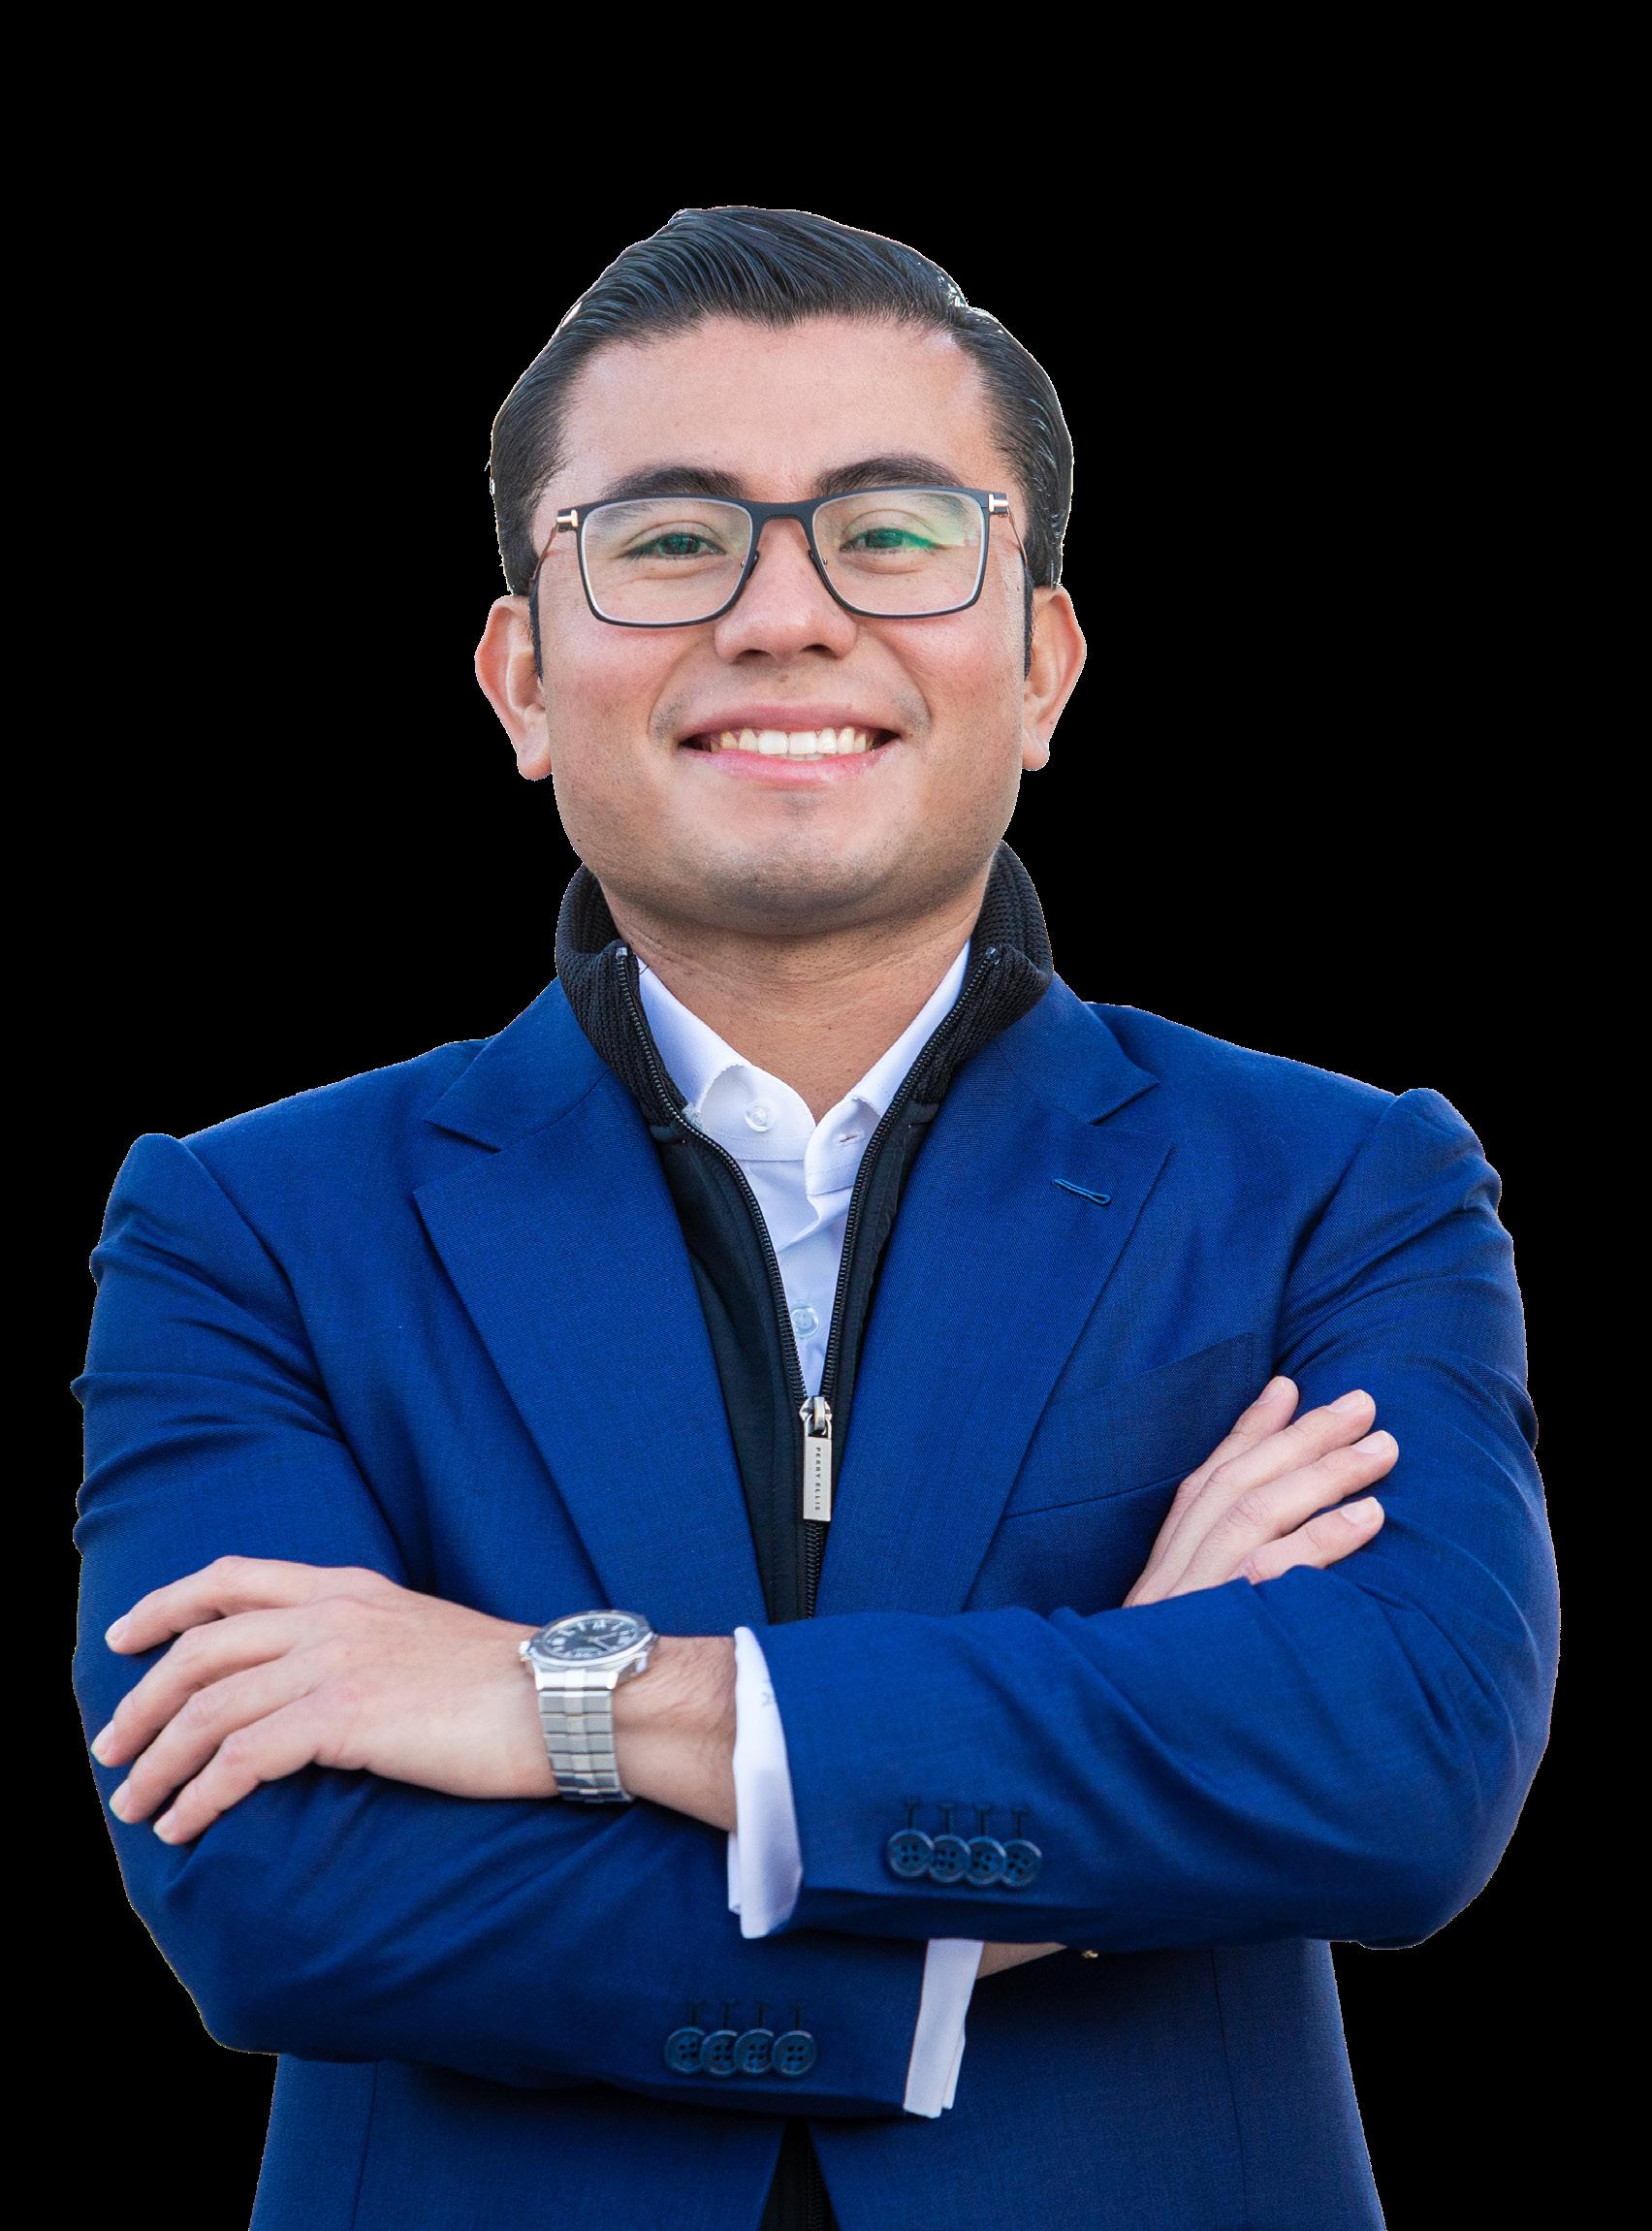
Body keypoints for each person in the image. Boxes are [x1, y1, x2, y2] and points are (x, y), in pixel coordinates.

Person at [72, 206, 1558, 2231]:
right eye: (674, 539)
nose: (785, 615)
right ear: (523, 679)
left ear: (1040, 665)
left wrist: (556, 1698)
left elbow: (1398, 1771)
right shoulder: (248, 1224)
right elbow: (273, 1891)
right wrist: (1106, 1768)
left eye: (894, 531)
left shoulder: (1335, 1185)